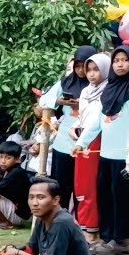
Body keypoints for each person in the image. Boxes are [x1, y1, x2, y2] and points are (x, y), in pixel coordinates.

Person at [0, 177, 89, 255]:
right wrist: (11, 251)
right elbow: (31, 250)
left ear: (55, 200)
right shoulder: (42, 218)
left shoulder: (61, 222)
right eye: (31, 197)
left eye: (41, 197)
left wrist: (18, 254)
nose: (34, 203)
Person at [90, 46, 129, 245]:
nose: (120, 64)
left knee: (122, 198)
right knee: (104, 195)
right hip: (105, 154)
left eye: (124, 60)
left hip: (126, 156)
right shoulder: (108, 89)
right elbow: (98, 122)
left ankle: (121, 238)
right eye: (116, 60)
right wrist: (81, 143)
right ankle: (106, 236)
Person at [40, 45, 95, 209]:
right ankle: (60, 223)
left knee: (83, 189)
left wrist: (83, 103)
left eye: (83, 66)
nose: (80, 71)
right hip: (63, 143)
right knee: (61, 188)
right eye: (77, 66)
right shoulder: (65, 83)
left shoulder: (99, 85)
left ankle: (83, 226)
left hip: (88, 144)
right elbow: (43, 100)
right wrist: (60, 101)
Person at [71, 52, 109, 239]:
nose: (92, 74)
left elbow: (97, 120)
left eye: (96, 69)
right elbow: (82, 116)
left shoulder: (108, 89)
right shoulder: (86, 91)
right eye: (89, 70)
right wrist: (74, 128)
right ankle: (84, 225)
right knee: (80, 185)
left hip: (95, 139)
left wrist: (82, 137)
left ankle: (92, 229)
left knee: (90, 184)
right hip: (81, 138)